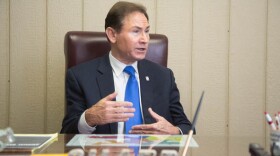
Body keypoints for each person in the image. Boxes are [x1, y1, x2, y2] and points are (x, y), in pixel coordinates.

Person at [61, 1, 192, 135]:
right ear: (112, 35)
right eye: (136, 31)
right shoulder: (80, 76)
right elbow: (66, 133)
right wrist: (89, 118)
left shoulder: (164, 76)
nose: (145, 39)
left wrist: (174, 131)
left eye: (146, 31)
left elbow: (186, 127)